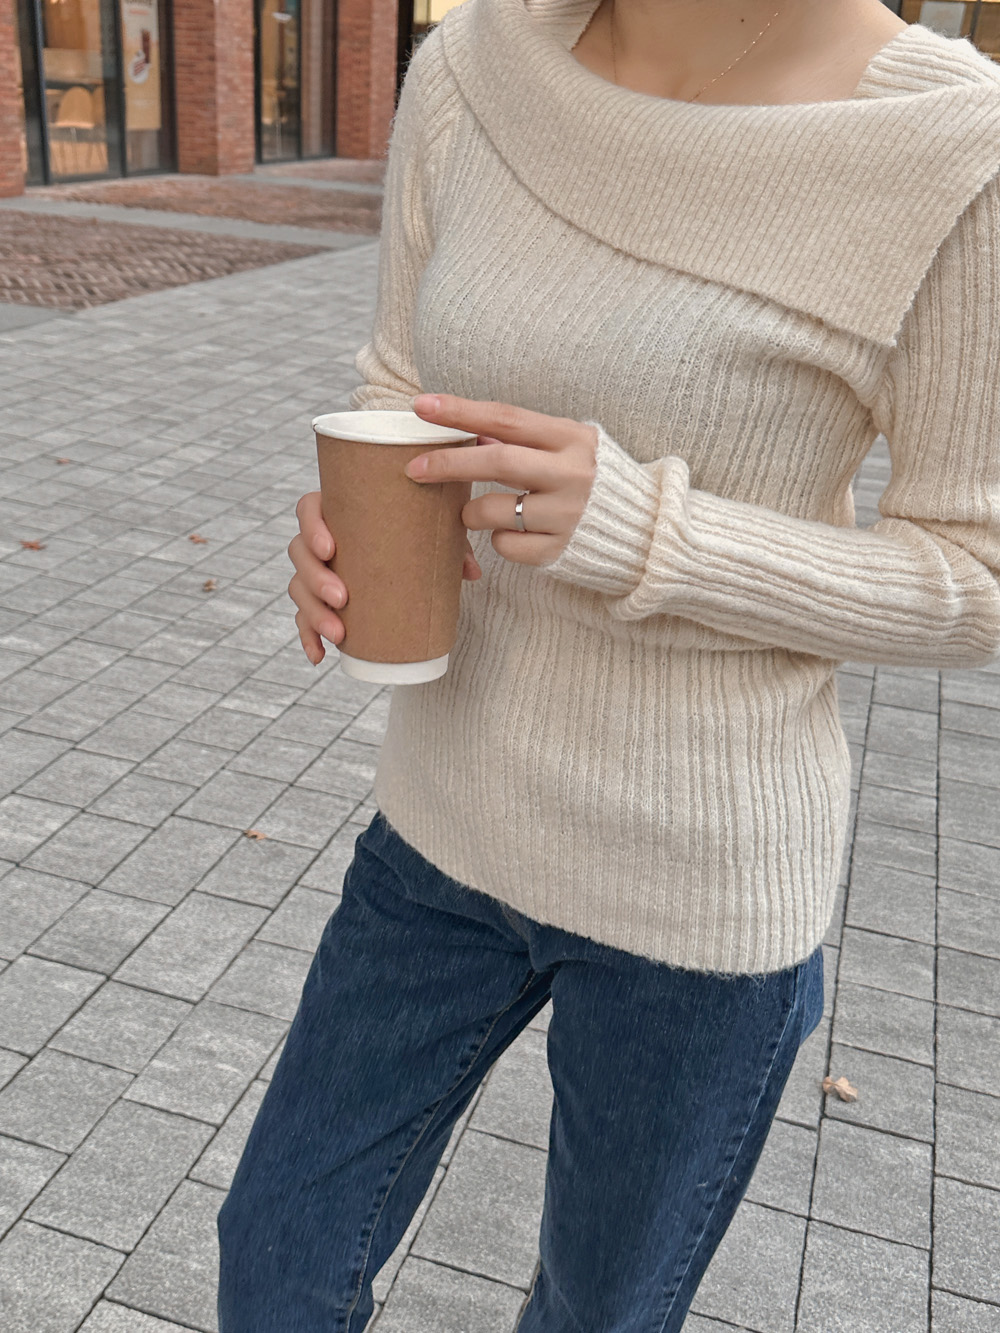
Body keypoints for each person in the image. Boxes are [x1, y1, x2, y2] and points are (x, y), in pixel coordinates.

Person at [217, 0, 1000, 1328]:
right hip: (442, 826)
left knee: (595, 1313)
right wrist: (350, 532)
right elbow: (401, 386)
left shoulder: (953, 149)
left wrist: (656, 535)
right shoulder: (472, 68)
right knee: (276, 1250)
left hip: (698, 895)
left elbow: (974, 578)